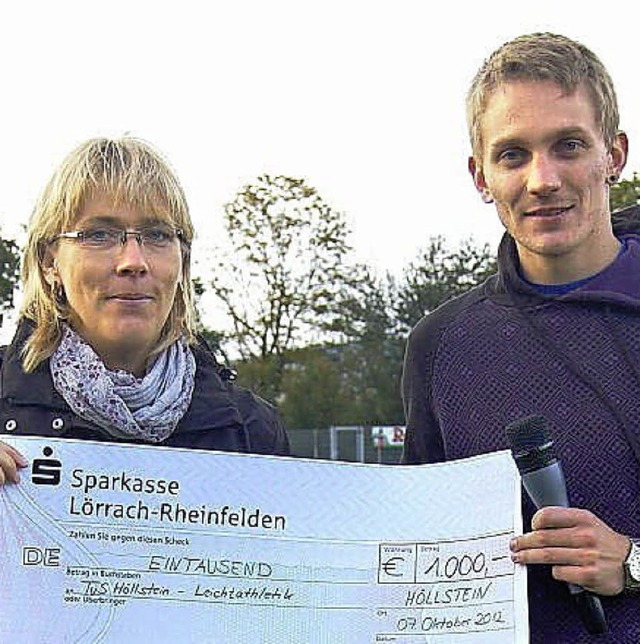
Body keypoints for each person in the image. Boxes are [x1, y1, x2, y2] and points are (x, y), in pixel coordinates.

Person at [401, 33, 639, 642]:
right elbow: (418, 553)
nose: (542, 179)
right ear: (481, 176)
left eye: (568, 146)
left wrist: (633, 562)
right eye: (513, 154)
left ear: (614, 155)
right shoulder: (441, 345)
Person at [0, 136, 289, 487]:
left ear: (182, 259)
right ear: (50, 261)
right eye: (99, 234)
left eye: (156, 234)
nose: (133, 261)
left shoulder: (252, 431)